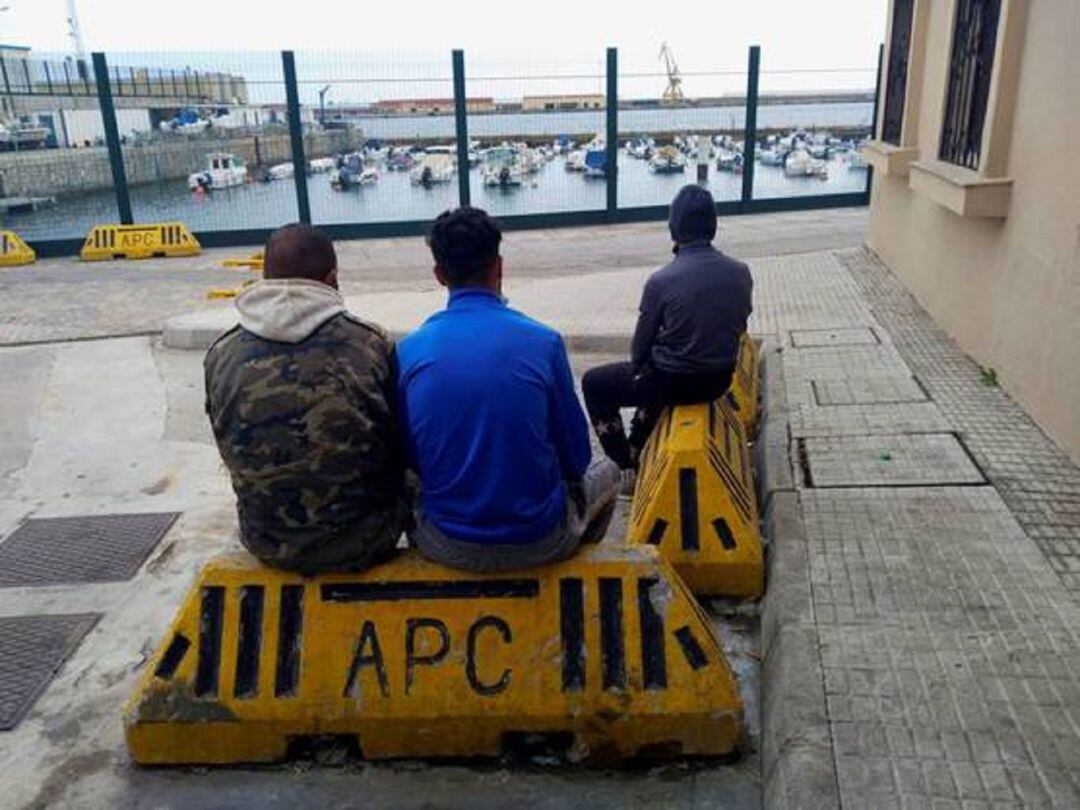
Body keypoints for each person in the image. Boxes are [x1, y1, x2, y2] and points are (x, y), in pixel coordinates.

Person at [397, 207, 620, 572]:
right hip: (540, 540)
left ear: (439, 275)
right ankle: (574, 569)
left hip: (443, 544)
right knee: (608, 471)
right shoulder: (543, 342)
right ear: (499, 266)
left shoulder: (410, 351)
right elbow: (577, 458)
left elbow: (411, 460)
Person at [204, 223, 410, 574]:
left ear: (265, 277)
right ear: (332, 279)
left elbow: (226, 440)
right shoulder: (370, 344)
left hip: (268, 542)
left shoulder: (221, 354)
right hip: (368, 538)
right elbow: (401, 442)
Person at [582, 184, 753, 473]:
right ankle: (641, 440)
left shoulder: (662, 280)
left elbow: (638, 351)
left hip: (676, 383)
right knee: (657, 367)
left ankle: (623, 463)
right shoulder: (741, 272)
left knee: (595, 383)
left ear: (673, 228)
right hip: (719, 380)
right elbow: (737, 325)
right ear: (713, 225)